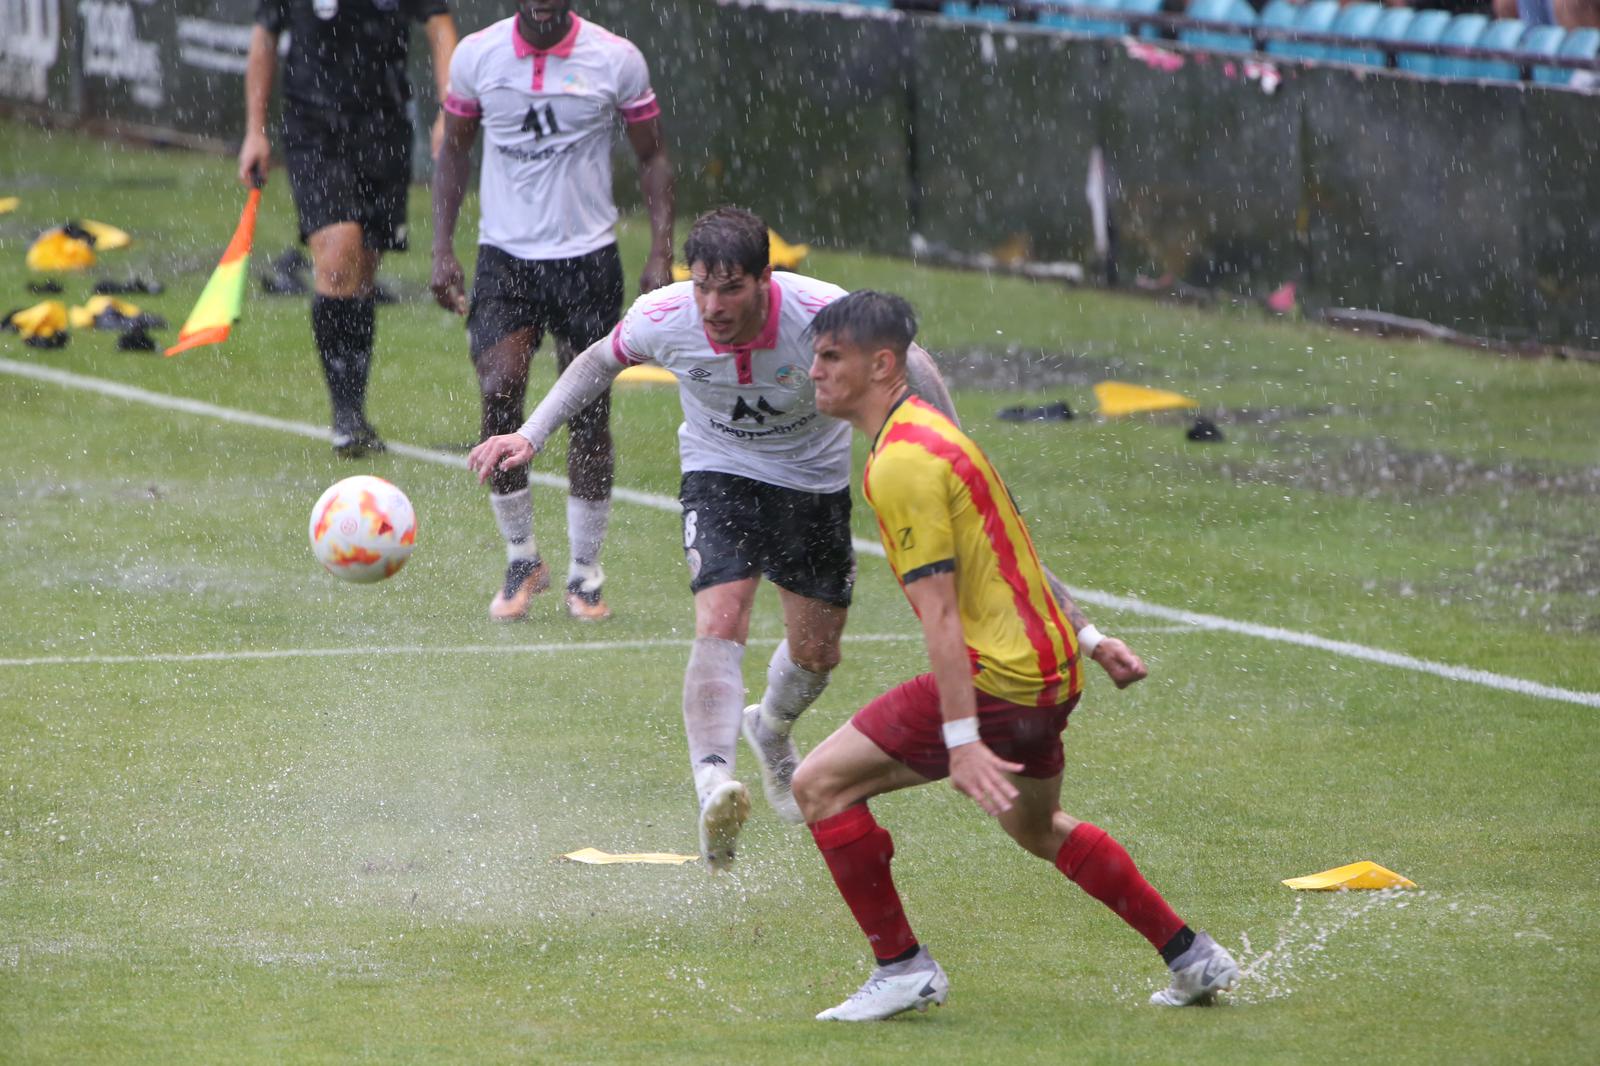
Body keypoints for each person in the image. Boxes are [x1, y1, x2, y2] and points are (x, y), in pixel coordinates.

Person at [466, 206, 962, 870]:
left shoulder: (823, 313)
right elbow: (595, 363)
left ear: (766, 280)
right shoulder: (665, 315)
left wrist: (959, 452)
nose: (713, 304)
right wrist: (530, 435)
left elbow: (914, 363)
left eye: (730, 288)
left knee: (817, 653)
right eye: (702, 285)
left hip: (811, 483)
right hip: (718, 472)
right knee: (721, 618)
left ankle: (771, 728)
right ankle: (712, 787)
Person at [792, 290, 1240, 1021]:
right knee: (1035, 827)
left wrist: (962, 741)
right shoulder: (934, 433)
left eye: (830, 357)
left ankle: (901, 966)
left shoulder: (902, 462)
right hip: (1050, 674)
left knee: (819, 787)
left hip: (998, 682)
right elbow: (1012, 547)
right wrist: (1092, 639)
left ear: (881, 365)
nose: (813, 371)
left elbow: (940, 616)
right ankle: (1189, 954)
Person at [431, 1, 675, 622]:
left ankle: (585, 573)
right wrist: (442, 249)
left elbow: (653, 156)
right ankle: (522, 558)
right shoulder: (477, 55)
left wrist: (660, 253)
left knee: (589, 414)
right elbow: (454, 151)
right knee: (499, 390)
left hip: (587, 260)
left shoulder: (616, 58)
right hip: (504, 261)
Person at [239, 1, 458, 458]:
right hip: (314, 127)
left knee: (361, 272)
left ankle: (353, 411)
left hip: (385, 127)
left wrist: (448, 108)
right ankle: (344, 416)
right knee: (338, 258)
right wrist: (255, 131)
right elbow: (264, 41)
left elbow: (439, 28)